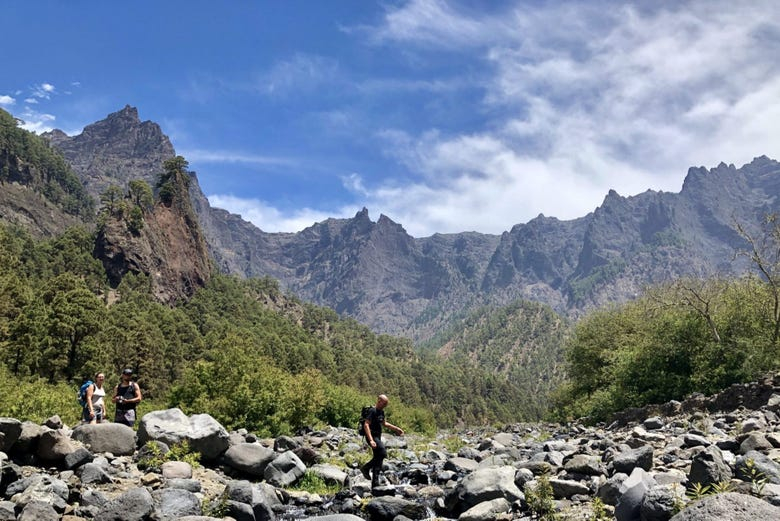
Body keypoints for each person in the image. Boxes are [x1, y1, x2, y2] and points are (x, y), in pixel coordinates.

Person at [360, 394, 404, 489]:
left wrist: (396, 429)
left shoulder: (381, 412)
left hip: (378, 436)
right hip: (372, 436)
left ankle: (375, 484)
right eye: (384, 404)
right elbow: (366, 425)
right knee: (383, 453)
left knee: (378, 459)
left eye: (386, 404)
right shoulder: (372, 411)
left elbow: (384, 423)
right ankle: (365, 468)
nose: (385, 406)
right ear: (379, 401)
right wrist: (371, 440)